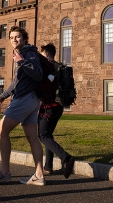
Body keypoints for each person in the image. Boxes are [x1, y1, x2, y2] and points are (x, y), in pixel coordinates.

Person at [0, 25, 45, 186]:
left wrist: (22, 61)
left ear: (24, 39)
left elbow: (38, 74)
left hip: (24, 99)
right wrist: (2, 97)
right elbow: (16, 82)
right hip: (31, 100)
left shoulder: (28, 53)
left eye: (17, 37)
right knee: (32, 137)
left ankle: (4, 172)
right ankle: (39, 175)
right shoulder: (22, 54)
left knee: (1, 131)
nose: (14, 40)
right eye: (11, 37)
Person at [38, 43, 75, 179]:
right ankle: (48, 166)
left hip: (48, 107)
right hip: (59, 107)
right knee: (48, 135)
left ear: (47, 54)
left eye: (42, 55)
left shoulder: (48, 67)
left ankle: (66, 158)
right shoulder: (61, 67)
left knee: (43, 136)